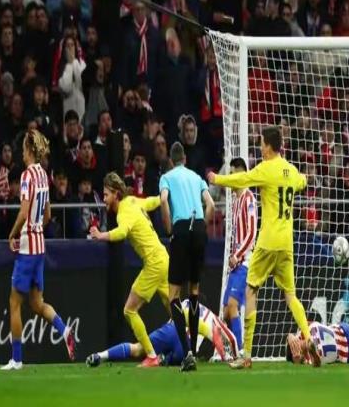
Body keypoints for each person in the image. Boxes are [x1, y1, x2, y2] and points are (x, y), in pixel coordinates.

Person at [207, 126, 313, 369]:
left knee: (250, 291)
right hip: (287, 244)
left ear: (269, 146)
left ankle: (246, 355)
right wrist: (304, 179)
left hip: (267, 243)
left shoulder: (266, 169)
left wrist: (217, 179)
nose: (260, 148)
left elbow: (242, 179)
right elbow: (302, 181)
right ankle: (308, 338)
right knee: (291, 296)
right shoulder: (291, 170)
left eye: (262, 144)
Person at [1, 130, 76, 370]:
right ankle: (65, 330)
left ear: (29, 150)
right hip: (40, 246)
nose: (22, 154)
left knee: (14, 302)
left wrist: (13, 234)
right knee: (36, 303)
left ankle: (16, 359)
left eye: (23, 149)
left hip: (26, 249)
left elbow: (24, 213)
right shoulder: (44, 174)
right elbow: (48, 215)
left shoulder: (27, 176)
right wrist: (36, 230)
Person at [89, 172, 170, 368]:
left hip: (154, 263)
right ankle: (209, 333)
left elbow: (122, 232)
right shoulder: (133, 201)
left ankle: (151, 356)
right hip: (163, 257)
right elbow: (151, 202)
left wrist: (100, 235)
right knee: (175, 310)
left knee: (129, 310)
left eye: (106, 195)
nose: (104, 199)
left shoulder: (124, 211)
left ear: (116, 194)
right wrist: (163, 196)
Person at [159, 142, 215, 371]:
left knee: (173, 294)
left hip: (181, 229)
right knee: (193, 291)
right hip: (199, 228)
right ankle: (192, 349)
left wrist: (169, 228)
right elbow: (210, 204)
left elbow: (163, 200)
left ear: (171, 161)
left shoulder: (167, 177)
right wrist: (203, 227)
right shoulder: (196, 177)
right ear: (185, 159)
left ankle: (187, 353)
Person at [86, 299, 238, 367]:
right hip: (183, 348)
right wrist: (229, 357)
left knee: (138, 348)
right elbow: (220, 336)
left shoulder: (185, 303)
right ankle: (164, 359)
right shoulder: (211, 318)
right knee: (183, 356)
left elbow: (176, 318)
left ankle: (100, 355)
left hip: (171, 330)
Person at [221, 158, 257, 353]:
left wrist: (237, 255)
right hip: (235, 264)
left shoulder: (249, 198)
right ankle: (231, 349)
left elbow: (251, 233)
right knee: (226, 311)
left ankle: (240, 351)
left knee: (233, 305)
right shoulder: (235, 202)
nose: (230, 178)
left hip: (245, 262)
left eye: (232, 173)